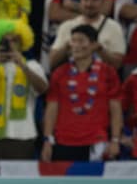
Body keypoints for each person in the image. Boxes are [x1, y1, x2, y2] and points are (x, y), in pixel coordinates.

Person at [42, 24, 122, 162]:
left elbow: (115, 109)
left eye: (81, 41)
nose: (76, 45)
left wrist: (115, 140)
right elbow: (51, 109)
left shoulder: (108, 72)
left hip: (96, 142)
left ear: (93, 45)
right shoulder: (59, 73)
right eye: (73, 40)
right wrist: (47, 139)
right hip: (63, 141)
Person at [0, 19, 47, 160]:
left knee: (18, 181)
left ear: (22, 43)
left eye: (14, 40)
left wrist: (23, 66)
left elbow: (43, 89)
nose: (10, 45)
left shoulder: (32, 65)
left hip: (22, 134)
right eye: (5, 41)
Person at [42, 0, 114, 71]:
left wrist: (72, 5)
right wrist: (87, 16)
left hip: (96, 39)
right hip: (64, 42)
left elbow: (104, 11)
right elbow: (54, 13)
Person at [49, 0, 125, 71]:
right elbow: (51, 62)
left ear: (102, 1)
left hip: (101, 79)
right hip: (71, 78)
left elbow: (118, 64)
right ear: (80, 1)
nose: (89, 4)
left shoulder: (114, 27)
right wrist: (67, 46)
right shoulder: (67, 26)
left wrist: (100, 49)